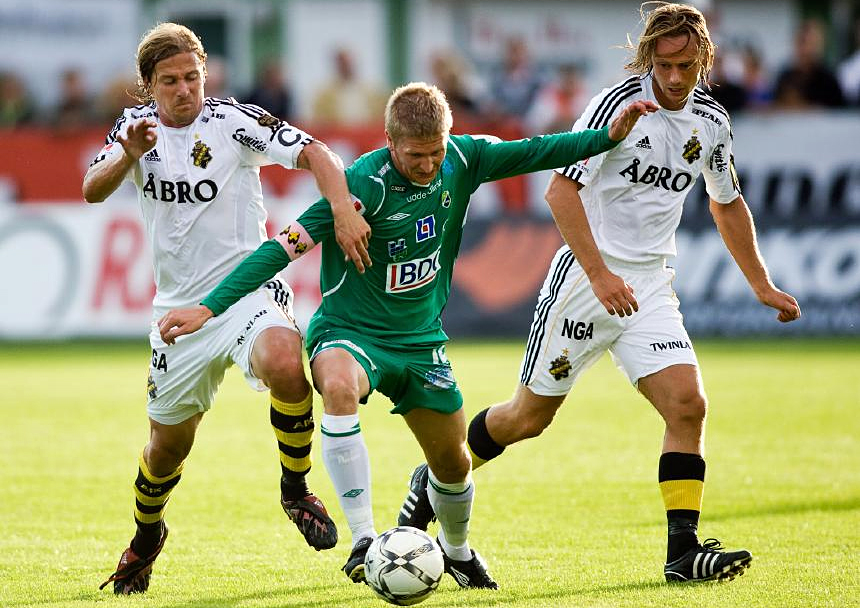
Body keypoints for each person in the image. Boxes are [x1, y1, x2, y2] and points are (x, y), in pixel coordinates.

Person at [157, 82, 656, 590]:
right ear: (391, 143)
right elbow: (281, 249)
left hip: (421, 341)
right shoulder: (360, 186)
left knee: (454, 464)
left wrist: (605, 138)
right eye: (417, 155)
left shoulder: (464, 159)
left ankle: (456, 551)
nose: (428, 165)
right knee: (336, 385)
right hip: (351, 331)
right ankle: (363, 540)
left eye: (436, 151)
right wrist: (209, 306)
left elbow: (537, 151)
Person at [397, 2, 801, 584]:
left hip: (651, 287)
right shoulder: (617, 107)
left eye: (686, 64)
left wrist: (760, 284)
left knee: (688, 404)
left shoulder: (712, 122)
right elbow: (561, 194)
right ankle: (434, 476)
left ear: (703, 58)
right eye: (663, 65)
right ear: (648, 60)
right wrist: (599, 275)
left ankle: (682, 554)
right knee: (527, 419)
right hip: (586, 284)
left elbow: (725, 199)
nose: (674, 77)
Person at [82, 23, 371, 595]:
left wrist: (340, 206)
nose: (185, 89)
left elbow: (317, 153)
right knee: (167, 449)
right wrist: (127, 158)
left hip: (247, 294)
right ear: (148, 85)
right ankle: (146, 536)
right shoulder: (131, 131)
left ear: (205, 73)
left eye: (193, 76)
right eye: (170, 81)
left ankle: (295, 489)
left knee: (287, 361)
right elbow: (93, 187)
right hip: (178, 315)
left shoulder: (235, 121)